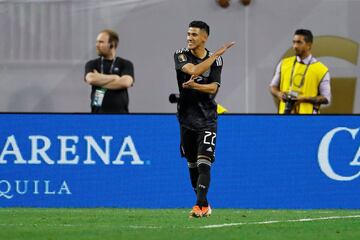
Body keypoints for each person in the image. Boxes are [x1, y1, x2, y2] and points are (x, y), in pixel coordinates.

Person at [173, 20, 234, 218]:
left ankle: (199, 205)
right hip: (186, 118)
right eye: (188, 34)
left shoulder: (217, 62)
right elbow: (193, 71)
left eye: (194, 35)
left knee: (204, 162)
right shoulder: (180, 54)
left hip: (207, 117)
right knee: (191, 164)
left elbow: (213, 88)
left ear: (204, 37)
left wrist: (195, 87)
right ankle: (204, 203)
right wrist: (216, 53)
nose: (189, 38)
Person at [269, 29, 331, 114]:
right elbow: (273, 86)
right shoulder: (284, 63)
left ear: (309, 45)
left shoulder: (321, 69)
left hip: (308, 120)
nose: (295, 46)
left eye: (299, 42)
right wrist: (279, 94)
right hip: (285, 117)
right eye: (294, 42)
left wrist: (302, 99)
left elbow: (326, 98)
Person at [85, 29, 134, 113]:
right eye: (96, 42)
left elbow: (125, 83)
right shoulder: (92, 63)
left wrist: (100, 80)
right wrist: (115, 77)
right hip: (97, 115)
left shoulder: (125, 64)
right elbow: (91, 79)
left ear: (112, 44)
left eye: (101, 42)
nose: (97, 45)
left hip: (121, 115)